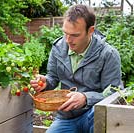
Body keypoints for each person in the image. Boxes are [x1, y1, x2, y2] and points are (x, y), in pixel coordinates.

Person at [30, 4, 122, 133]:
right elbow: (52, 78)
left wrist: (86, 98)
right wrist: (45, 82)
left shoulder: (108, 54)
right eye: (65, 33)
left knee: (97, 116)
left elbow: (115, 91)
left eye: (74, 35)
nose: (68, 40)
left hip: (93, 116)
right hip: (66, 118)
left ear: (91, 31)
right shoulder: (58, 48)